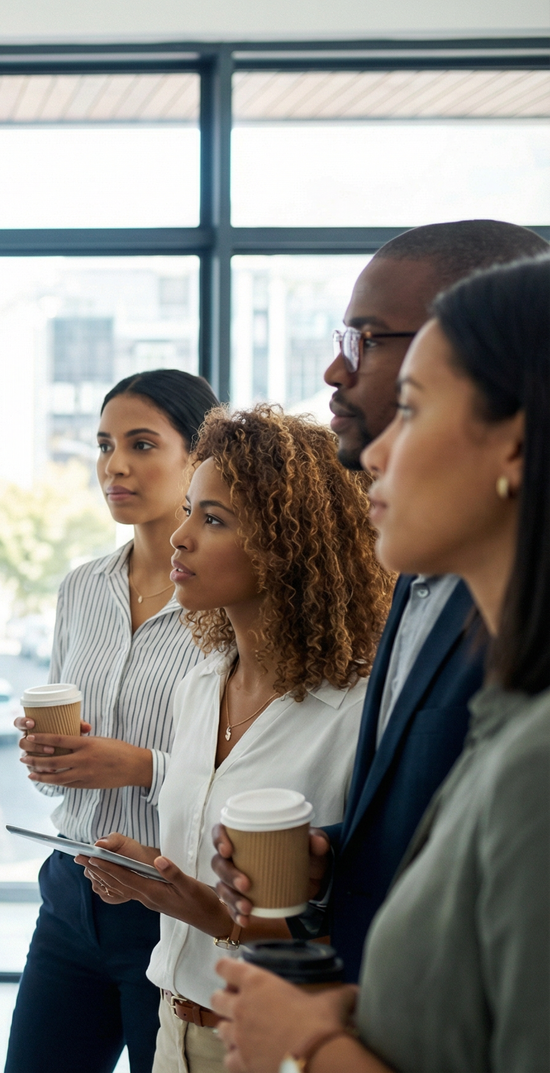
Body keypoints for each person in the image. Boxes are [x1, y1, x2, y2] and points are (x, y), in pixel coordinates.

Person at [212, 256, 550, 1073]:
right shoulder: (507, 709)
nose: (375, 454)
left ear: (514, 442)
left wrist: (305, 1048)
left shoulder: (536, 760)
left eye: (414, 407)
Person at [75, 407, 391, 1073]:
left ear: (288, 545)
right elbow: (206, 854)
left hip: (275, 1044)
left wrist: (211, 911)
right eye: (190, 510)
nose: (179, 537)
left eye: (213, 520)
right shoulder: (200, 683)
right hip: (171, 1027)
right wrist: (149, 872)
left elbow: (363, 917)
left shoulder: (357, 712)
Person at [7, 370, 220, 1073]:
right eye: (104, 445)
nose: (114, 465)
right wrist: (49, 759)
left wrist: (140, 767)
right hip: (70, 893)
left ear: (198, 457)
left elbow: (248, 769)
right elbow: (60, 776)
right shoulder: (81, 588)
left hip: (169, 904)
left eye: (141, 444)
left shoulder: (226, 599)